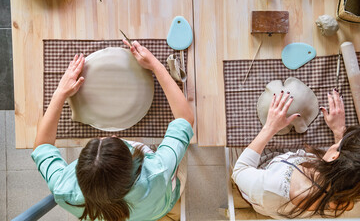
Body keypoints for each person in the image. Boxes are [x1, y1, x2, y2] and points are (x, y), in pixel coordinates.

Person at [31, 40, 194, 221]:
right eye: (112, 138)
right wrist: (155, 65)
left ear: (79, 171)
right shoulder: (158, 171)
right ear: (133, 164)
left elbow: (42, 146)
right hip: (159, 204)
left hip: (138, 209)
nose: (111, 134)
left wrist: (61, 92)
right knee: (182, 146)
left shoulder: (64, 190)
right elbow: (185, 119)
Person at [232, 90, 360, 219]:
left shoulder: (271, 186)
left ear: (334, 157)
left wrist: (269, 128)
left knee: (240, 132)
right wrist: (339, 132)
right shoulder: (347, 193)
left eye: (340, 143)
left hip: (260, 176)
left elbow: (239, 170)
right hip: (287, 163)